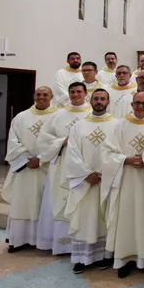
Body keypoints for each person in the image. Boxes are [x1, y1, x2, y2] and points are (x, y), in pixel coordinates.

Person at [101, 91, 144, 278]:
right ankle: (123, 259)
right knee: (125, 218)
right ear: (132, 104)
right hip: (125, 179)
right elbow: (107, 154)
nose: (141, 106)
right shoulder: (120, 125)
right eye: (137, 103)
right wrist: (125, 160)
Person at [62, 89, 117, 273]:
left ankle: (105, 256)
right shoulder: (79, 126)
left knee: (105, 218)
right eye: (96, 98)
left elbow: (118, 152)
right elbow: (72, 153)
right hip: (85, 182)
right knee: (85, 218)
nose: (99, 101)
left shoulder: (116, 125)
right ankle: (82, 258)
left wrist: (104, 173)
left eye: (103, 99)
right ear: (90, 100)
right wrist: (86, 174)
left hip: (107, 181)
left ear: (108, 101)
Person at [1, 86, 60, 253]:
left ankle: (45, 240)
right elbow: (13, 141)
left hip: (47, 168)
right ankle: (19, 239)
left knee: (45, 204)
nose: (41, 97)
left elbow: (60, 141)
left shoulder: (58, 117)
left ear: (52, 96)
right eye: (38, 94)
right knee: (23, 203)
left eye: (45, 95)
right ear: (34, 96)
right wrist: (26, 159)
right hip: (25, 167)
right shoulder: (21, 117)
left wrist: (41, 159)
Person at [35, 82, 91, 254]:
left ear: (85, 93)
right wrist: (62, 142)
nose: (75, 95)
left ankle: (80, 244)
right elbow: (43, 140)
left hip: (83, 167)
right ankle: (59, 243)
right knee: (58, 200)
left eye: (78, 92)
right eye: (72, 92)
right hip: (61, 165)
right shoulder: (58, 115)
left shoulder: (92, 114)